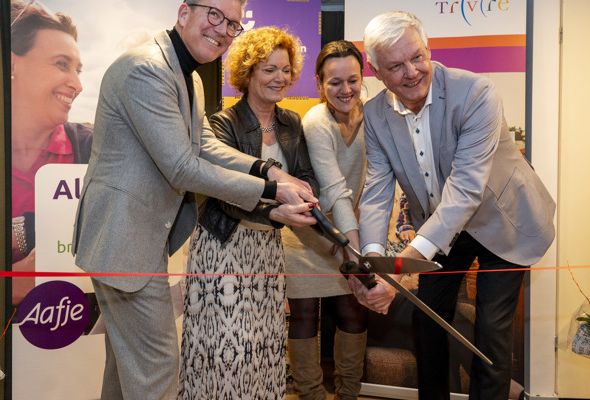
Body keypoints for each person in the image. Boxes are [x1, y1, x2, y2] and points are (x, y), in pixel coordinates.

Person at [71, 1, 317, 399]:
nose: (222, 29)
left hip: (138, 242)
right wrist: (271, 191)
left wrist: (268, 170)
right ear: (184, 12)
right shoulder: (147, 69)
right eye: (214, 14)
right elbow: (183, 167)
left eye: (233, 23)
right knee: (157, 371)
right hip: (124, 243)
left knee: (124, 375)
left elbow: (205, 146)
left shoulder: (190, 78)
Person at [350, 10, 555, 400]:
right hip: (443, 228)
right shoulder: (375, 115)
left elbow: (464, 192)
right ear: (376, 71)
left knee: (491, 334)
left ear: (428, 49)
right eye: (396, 66)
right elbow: (376, 190)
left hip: (504, 221)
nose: (412, 72)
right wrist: (376, 266)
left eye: (417, 57)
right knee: (428, 320)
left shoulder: (476, 93)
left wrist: (399, 270)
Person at [178, 26, 318, 399]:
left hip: (268, 250)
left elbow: (304, 179)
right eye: (269, 69)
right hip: (224, 246)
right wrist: (278, 213)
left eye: (285, 69)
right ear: (248, 72)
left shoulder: (292, 123)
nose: (279, 78)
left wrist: (305, 204)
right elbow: (224, 195)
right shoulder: (223, 124)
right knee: (226, 352)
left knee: (264, 347)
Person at [282, 40, 368, 400]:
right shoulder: (316, 121)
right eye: (335, 82)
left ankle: (348, 394)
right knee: (305, 317)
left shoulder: (374, 117)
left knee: (354, 312)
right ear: (319, 83)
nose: (345, 89)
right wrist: (349, 247)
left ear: (362, 78)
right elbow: (333, 189)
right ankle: (311, 395)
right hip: (309, 231)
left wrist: (354, 242)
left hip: (350, 229)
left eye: (352, 80)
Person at [10, 0, 92, 305]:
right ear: (11, 65)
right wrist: (10, 284)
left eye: (78, 70)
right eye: (61, 63)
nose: (78, 85)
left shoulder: (91, 149)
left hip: (74, 327)